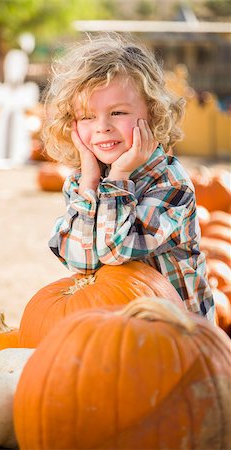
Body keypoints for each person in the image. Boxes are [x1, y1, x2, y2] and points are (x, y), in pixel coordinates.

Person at [43, 33, 214, 321]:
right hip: (117, 325)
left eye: (118, 112)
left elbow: (114, 251)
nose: (102, 127)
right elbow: (80, 262)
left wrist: (119, 177)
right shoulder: (82, 180)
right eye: (86, 117)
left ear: (152, 113)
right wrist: (88, 184)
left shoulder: (171, 184)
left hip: (178, 333)